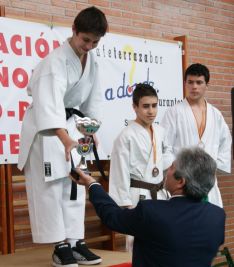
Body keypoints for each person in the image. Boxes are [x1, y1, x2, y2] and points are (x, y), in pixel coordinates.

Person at [17, 6, 108, 267]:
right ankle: (60, 246)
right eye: (85, 40)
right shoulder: (53, 62)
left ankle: (76, 241)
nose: (89, 46)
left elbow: (93, 102)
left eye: (95, 42)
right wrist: (65, 138)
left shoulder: (92, 63)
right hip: (46, 132)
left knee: (74, 185)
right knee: (52, 187)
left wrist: (91, 132)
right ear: (74, 31)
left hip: (72, 127)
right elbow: (48, 105)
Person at [75, 147, 225, 267]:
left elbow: (112, 217)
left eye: (171, 168)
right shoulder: (218, 216)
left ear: (181, 182)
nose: (167, 172)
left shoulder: (152, 212)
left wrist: (92, 184)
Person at [108, 83, 170, 251]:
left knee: (163, 241)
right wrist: (127, 207)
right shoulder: (125, 136)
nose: (151, 111)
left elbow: (168, 157)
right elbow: (119, 172)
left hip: (160, 195)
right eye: (145, 106)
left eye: (154, 106)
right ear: (135, 107)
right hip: (138, 197)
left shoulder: (161, 131)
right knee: (138, 245)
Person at [161, 63, 232, 208]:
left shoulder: (215, 114)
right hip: (183, 184)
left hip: (208, 183)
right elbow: (164, 145)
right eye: (190, 82)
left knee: (210, 224)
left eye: (199, 82)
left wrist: (212, 167)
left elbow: (226, 141)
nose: (194, 87)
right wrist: (178, 171)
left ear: (207, 85)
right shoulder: (174, 112)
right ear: (185, 84)